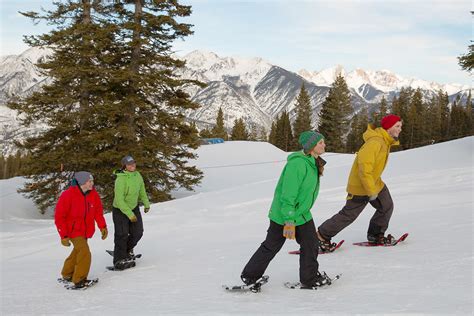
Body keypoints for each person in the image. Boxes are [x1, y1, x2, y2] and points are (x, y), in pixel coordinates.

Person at [240, 131, 331, 289]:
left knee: (310, 243)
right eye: (320, 143)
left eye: (323, 142)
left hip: (302, 214)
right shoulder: (297, 164)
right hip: (284, 214)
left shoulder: (312, 161)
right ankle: (250, 277)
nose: (324, 145)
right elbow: (288, 195)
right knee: (272, 245)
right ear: (311, 146)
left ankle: (309, 279)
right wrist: (289, 220)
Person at [317, 114, 402, 249]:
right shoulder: (375, 142)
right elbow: (364, 168)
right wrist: (371, 191)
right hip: (361, 185)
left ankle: (375, 235)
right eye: (397, 126)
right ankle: (321, 236)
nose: (400, 129)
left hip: (374, 182)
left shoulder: (384, 141)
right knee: (349, 215)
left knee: (386, 206)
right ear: (388, 127)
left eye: (400, 126)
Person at [54, 171, 108, 288]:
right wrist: (63, 235)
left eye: (92, 181)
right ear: (81, 182)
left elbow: (98, 213)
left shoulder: (93, 194)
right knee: (84, 253)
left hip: (86, 230)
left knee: (77, 251)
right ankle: (79, 280)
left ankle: (67, 274)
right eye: (90, 181)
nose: (92, 184)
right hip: (72, 231)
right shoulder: (68, 195)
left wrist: (102, 226)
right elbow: (59, 217)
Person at [112, 155, 150, 270]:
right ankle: (118, 260)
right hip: (120, 210)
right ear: (124, 166)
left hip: (134, 207)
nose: (132, 166)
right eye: (129, 164)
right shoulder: (120, 179)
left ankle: (127, 250)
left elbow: (142, 189)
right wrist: (129, 214)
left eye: (133, 163)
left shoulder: (137, 175)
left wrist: (146, 203)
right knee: (122, 235)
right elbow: (119, 200)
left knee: (138, 232)